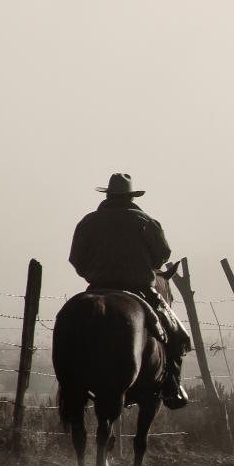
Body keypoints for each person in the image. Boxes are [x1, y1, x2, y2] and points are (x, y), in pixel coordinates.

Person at [70, 173, 191, 409]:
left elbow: (76, 259)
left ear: (108, 195)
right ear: (131, 196)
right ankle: (172, 387)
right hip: (140, 288)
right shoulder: (146, 222)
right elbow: (162, 256)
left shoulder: (88, 222)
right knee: (178, 337)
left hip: (97, 287)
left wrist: (94, 273)